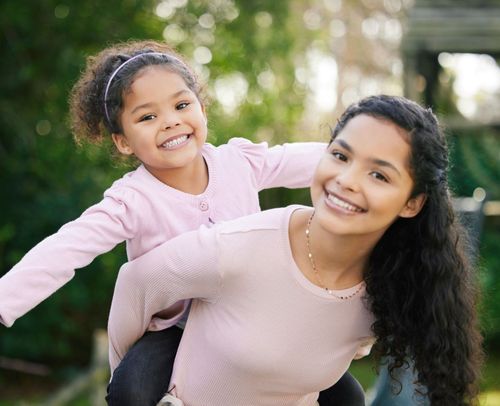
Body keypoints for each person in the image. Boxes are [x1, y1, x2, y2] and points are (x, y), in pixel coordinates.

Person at [0, 40, 363, 406]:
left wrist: (369, 162)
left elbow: (309, 160)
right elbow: (67, 248)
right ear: (123, 141)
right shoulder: (132, 199)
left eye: (181, 105)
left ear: (202, 110)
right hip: (174, 329)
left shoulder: (238, 162)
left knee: (346, 394)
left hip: (250, 314)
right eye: (147, 117)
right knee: (131, 392)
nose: (170, 120)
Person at [108, 95, 483, 406]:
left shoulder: (390, 286)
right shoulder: (238, 247)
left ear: (412, 203)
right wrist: (129, 378)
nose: (346, 181)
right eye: (340, 155)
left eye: (379, 175)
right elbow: (136, 282)